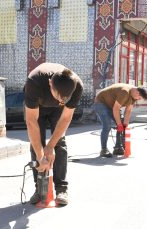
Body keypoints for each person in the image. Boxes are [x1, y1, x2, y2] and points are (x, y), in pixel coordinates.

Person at [24, 63, 83, 205]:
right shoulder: (34, 82)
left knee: (59, 144)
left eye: (65, 98)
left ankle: (61, 189)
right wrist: (40, 155)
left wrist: (50, 146)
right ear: (50, 83)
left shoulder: (77, 86)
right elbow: (31, 121)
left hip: (58, 112)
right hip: (37, 108)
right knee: (36, 144)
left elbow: (66, 118)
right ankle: (39, 189)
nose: (61, 101)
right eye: (59, 97)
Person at [94, 83, 147, 157]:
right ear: (137, 92)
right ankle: (104, 150)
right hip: (101, 102)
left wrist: (125, 126)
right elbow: (116, 109)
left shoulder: (134, 96)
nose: (138, 99)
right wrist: (119, 125)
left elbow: (128, 111)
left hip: (112, 105)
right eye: (139, 97)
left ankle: (118, 148)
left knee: (122, 125)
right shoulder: (125, 92)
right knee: (107, 126)